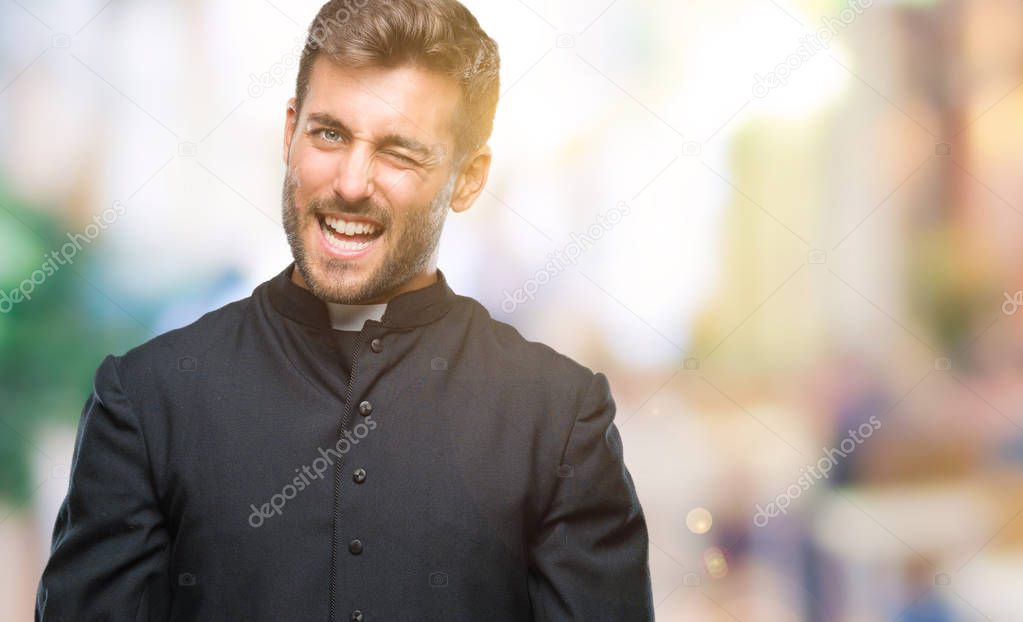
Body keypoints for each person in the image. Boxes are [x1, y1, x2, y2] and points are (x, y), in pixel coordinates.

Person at [35, 1, 654, 619]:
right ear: (289, 133)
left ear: (469, 179)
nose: (352, 182)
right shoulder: (147, 401)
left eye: (400, 152)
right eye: (329, 134)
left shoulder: (557, 417)